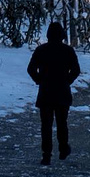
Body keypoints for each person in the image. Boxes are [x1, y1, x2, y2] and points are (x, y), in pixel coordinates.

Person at [27, 21, 80, 165]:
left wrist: (39, 80)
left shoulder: (41, 50)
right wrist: (67, 81)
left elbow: (31, 69)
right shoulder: (68, 51)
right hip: (62, 92)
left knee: (46, 125)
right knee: (62, 122)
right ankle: (63, 148)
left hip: (45, 92)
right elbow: (76, 70)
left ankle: (46, 154)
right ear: (62, 35)